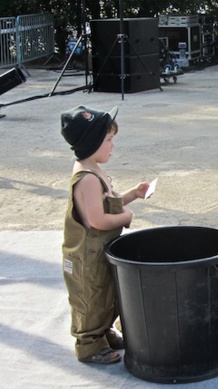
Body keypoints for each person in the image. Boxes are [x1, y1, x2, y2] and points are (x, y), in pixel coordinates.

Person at [61, 105, 149, 364]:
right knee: (91, 297)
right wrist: (127, 218)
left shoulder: (95, 170)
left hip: (101, 251)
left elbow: (108, 202)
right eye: (108, 140)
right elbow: (96, 219)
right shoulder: (86, 178)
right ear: (91, 143)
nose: (113, 146)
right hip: (86, 257)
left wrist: (133, 194)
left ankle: (104, 332)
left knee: (108, 292)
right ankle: (89, 343)